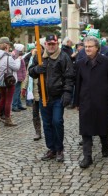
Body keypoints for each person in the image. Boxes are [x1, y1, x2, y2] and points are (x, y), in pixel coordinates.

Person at [29, 34, 75, 162]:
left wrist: (67, 93)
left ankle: (59, 149)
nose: (51, 46)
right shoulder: (39, 56)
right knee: (47, 124)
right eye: (49, 44)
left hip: (58, 97)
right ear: (45, 45)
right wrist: (38, 69)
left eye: (53, 44)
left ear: (57, 44)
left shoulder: (63, 57)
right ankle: (51, 149)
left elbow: (69, 77)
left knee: (57, 121)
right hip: (44, 97)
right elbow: (31, 72)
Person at [75, 36, 108, 168]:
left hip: (102, 100)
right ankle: (87, 156)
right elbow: (78, 83)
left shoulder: (107, 62)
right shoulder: (80, 63)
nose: (87, 49)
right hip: (85, 100)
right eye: (86, 46)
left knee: (102, 127)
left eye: (90, 46)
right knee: (85, 129)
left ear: (97, 48)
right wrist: (76, 101)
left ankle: (105, 145)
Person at [0, 38, 21, 126]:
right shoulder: (8, 57)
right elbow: (16, 68)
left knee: (3, 98)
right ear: (7, 46)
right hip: (9, 81)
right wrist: (18, 60)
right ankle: (8, 119)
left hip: (1, 80)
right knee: (8, 100)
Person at [23, 47, 42, 141]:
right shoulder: (32, 60)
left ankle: (48, 131)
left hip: (43, 92)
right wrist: (24, 87)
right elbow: (28, 74)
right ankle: (37, 131)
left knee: (46, 114)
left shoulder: (45, 59)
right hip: (34, 91)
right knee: (35, 114)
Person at [11, 43, 27, 112]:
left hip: (19, 76)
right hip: (17, 77)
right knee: (16, 92)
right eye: (22, 49)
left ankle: (19, 104)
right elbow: (18, 67)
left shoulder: (18, 55)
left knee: (18, 91)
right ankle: (14, 106)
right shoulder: (16, 56)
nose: (23, 50)